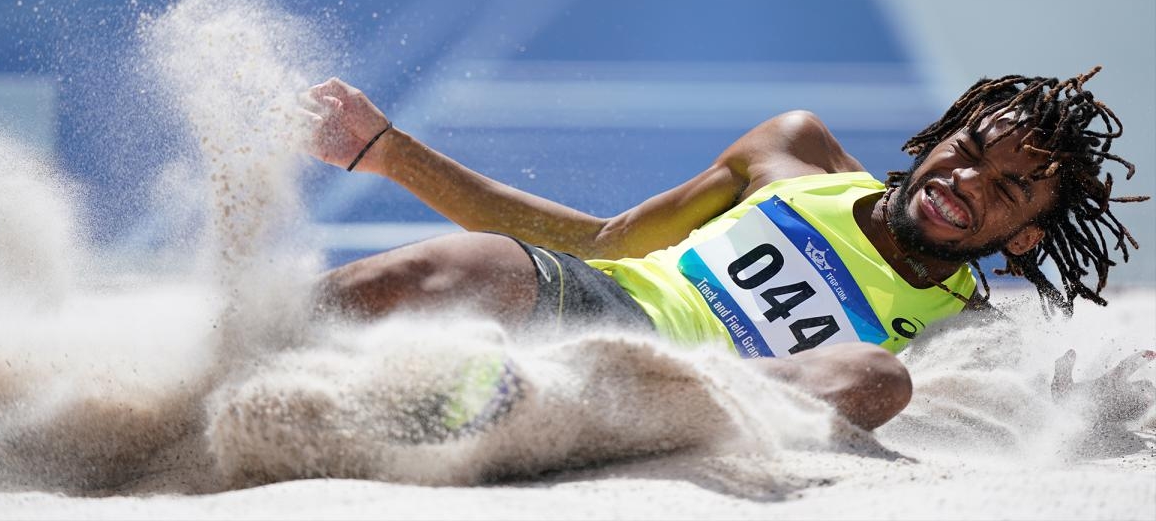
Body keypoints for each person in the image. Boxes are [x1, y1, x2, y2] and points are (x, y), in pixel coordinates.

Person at [301, 67, 1151, 431]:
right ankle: (244, 340)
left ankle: (572, 405)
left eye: (1005, 188)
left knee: (876, 378)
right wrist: (385, 149)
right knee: (474, 264)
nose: (966, 180)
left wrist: (1091, 412)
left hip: (695, 395)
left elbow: (1023, 408)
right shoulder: (796, 152)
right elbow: (596, 242)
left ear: (1026, 234)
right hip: (610, 309)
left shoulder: (965, 322)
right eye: (969, 149)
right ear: (940, 136)